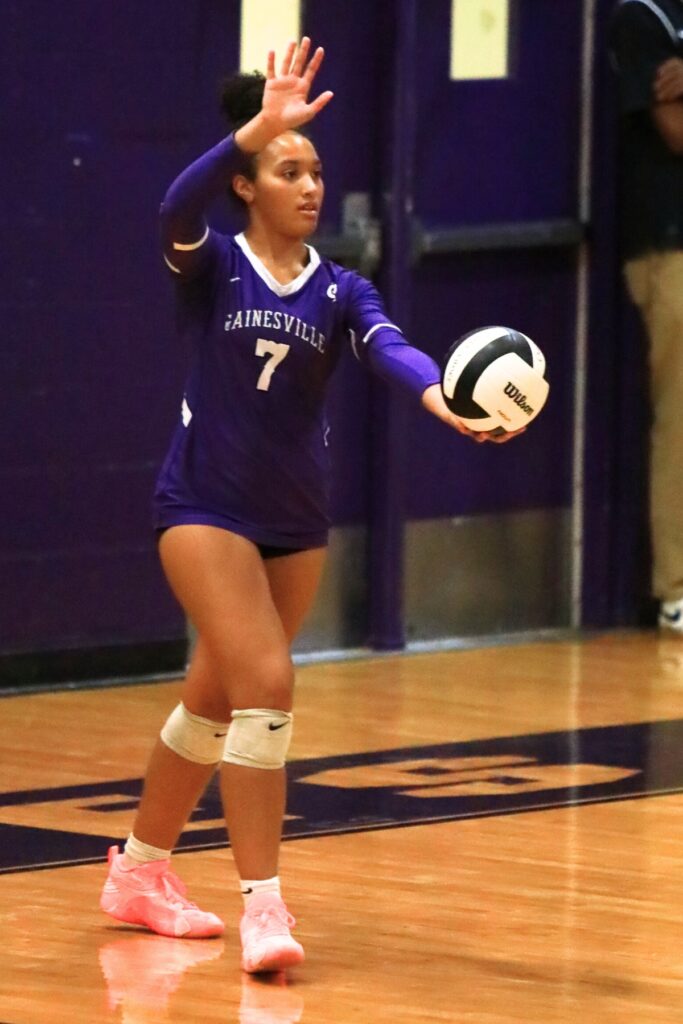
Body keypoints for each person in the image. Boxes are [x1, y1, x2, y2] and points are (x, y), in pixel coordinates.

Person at [99, 38, 521, 974]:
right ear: (247, 185)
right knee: (270, 685)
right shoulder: (211, 264)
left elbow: (390, 350)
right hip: (203, 509)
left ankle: (138, 871)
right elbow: (172, 206)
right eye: (288, 169)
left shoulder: (339, 287)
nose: (309, 186)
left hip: (294, 523)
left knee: (214, 704)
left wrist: (443, 396)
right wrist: (248, 132)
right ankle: (264, 907)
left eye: (316, 171)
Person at [610, 0, 683, 633]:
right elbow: (677, 131)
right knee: (680, 417)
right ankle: (675, 589)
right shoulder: (645, 16)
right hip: (670, 245)